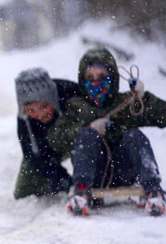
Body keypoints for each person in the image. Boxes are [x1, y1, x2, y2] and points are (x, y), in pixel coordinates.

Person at [48, 47, 166, 216]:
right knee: (87, 135)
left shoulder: (125, 103)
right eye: (90, 78)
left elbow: (162, 115)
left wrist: (144, 98)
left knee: (134, 135)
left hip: (123, 170)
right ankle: (81, 192)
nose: (96, 82)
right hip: (92, 174)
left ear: (113, 77)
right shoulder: (76, 107)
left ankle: (153, 190)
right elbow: (55, 139)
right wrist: (87, 129)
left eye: (102, 77)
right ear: (82, 80)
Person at [14, 68, 80, 199]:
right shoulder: (24, 119)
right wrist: (60, 179)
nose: (40, 114)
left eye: (44, 106)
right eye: (31, 110)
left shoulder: (72, 94)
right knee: (23, 192)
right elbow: (32, 154)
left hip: (76, 139)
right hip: (47, 147)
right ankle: (51, 187)